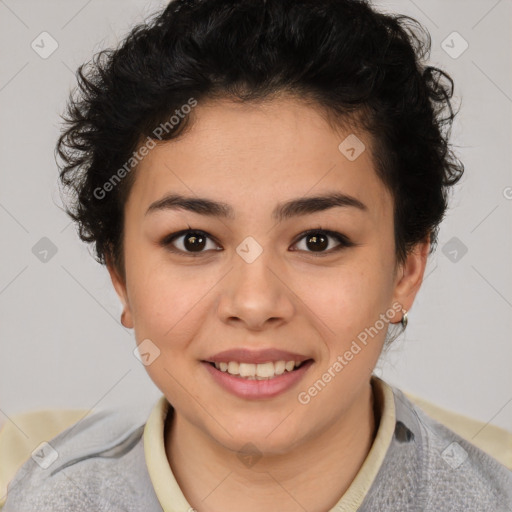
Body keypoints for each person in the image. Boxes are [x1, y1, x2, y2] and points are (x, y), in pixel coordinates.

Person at [3, 0, 512, 510]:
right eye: (194, 240)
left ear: (407, 268)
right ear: (120, 273)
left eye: (318, 240)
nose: (254, 303)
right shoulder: (29, 485)